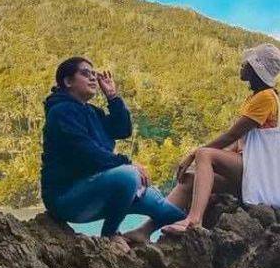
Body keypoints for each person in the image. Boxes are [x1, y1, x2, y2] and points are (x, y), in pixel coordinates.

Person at [124, 43, 280, 241]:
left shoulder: (265, 97)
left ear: (255, 68)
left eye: (246, 63)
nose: (242, 66)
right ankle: (145, 230)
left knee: (204, 154)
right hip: (250, 171)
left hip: (259, 173)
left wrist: (194, 154)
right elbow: (240, 143)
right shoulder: (256, 97)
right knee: (190, 180)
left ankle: (194, 220)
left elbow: (231, 135)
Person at [40, 56, 185, 246]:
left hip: (98, 188)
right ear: (68, 81)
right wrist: (127, 163)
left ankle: (143, 233)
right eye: (85, 73)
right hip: (66, 197)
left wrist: (113, 97)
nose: (93, 78)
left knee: (169, 212)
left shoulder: (92, 112)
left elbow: (123, 130)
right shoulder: (60, 112)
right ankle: (110, 235)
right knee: (128, 176)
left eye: (94, 74)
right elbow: (86, 152)